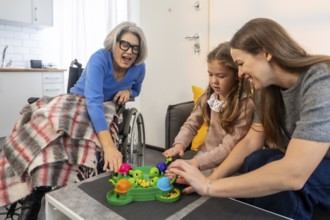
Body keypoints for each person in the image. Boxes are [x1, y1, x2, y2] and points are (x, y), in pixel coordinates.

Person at [167, 17, 330, 220]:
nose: (241, 73)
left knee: (282, 187)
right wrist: (206, 179)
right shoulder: (265, 90)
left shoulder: (321, 80)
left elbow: (293, 174)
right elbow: (252, 140)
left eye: (241, 64)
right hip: (314, 161)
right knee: (255, 160)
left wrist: (210, 186)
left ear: (266, 52)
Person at [0, 21, 148, 220]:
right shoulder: (99, 59)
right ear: (114, 43)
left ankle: (59, 190)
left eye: (135, 48)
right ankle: (35, 194)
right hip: (77, 100)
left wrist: (128, 90)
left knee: (84, 136)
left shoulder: (139, 68)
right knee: (49, 127)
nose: (129, 51)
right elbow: (92, 101)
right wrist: (109, 146)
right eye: (125, 44)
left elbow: (136, 89)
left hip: (106, 107)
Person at [163, 42, 255, 174]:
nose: (214, 81)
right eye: (210, 74)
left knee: (194, 181)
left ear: (236, 75)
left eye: (221, 76)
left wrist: (196, 163)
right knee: (174, 175)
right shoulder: (209, 97)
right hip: (205, 153)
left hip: (229, 161)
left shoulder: (245, 105)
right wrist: (179, 144)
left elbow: (228, 148)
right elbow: (191, 124)